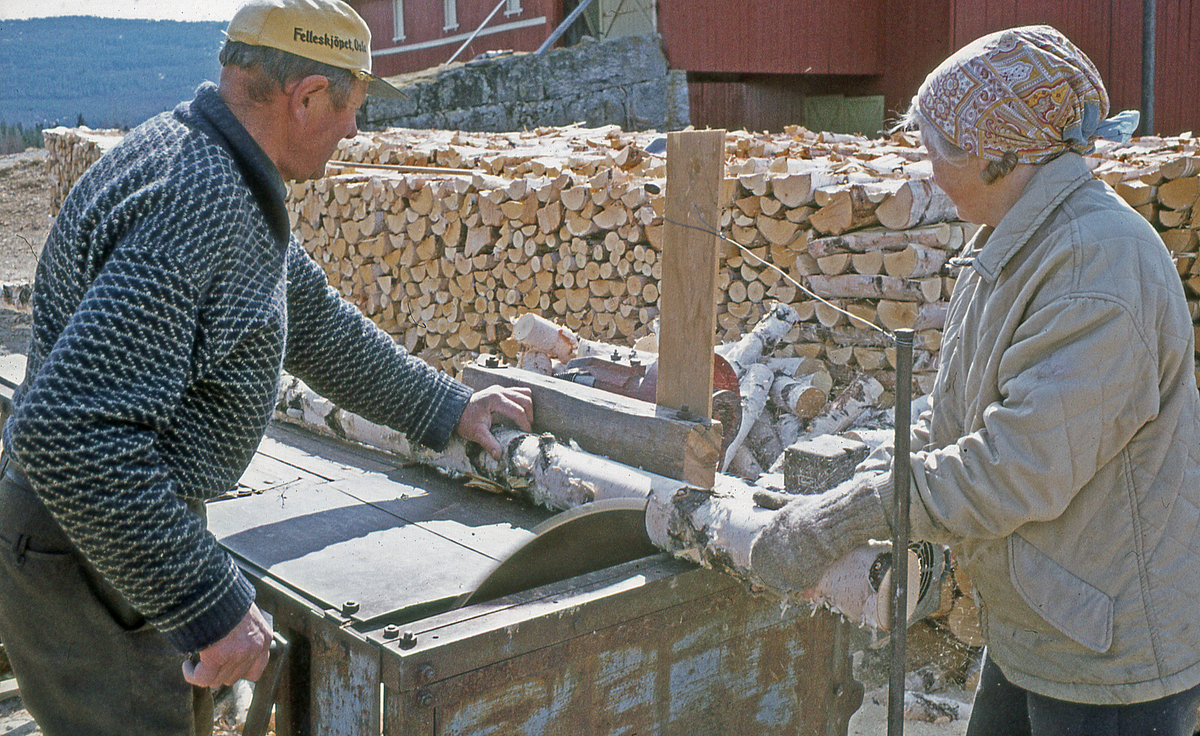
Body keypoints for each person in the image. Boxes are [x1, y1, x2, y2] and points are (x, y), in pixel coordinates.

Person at [0, 1, 533, 733]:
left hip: (115, 531)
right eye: (352, 106)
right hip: (90, 549)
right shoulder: (202, 199)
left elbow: (314, 322)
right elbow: (67, 435)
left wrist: (447, 407)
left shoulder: (212, 164)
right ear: (308, 95)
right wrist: (206, 600)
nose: (354, 129)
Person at [669, 25, 1200, 736]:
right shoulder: (1020, 240)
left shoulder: (1094, 271)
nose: (929, 172)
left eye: (939, 151)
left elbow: (1014, 469)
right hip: (1045, 620)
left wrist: (846, 515)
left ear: (1003, 154)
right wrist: (864, 461)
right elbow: (961, 415)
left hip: (1110, 654)